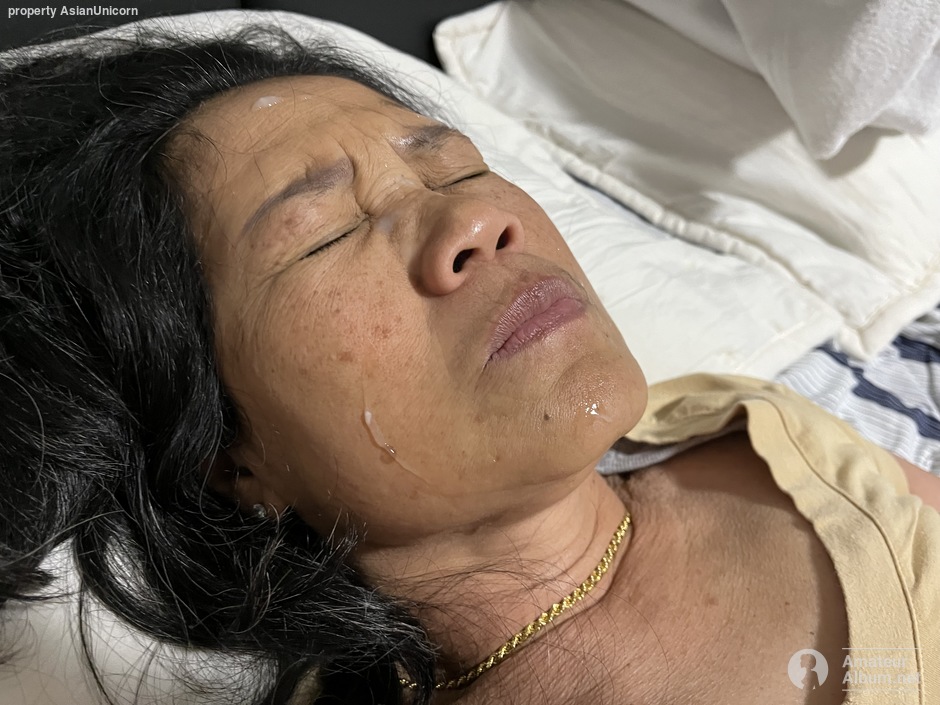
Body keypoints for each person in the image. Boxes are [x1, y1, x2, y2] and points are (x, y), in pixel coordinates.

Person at [0, 25, 937, 705]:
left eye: (456, 168)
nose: (477, 220)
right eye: (323, 235)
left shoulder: (755, 431)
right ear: (228, 455)